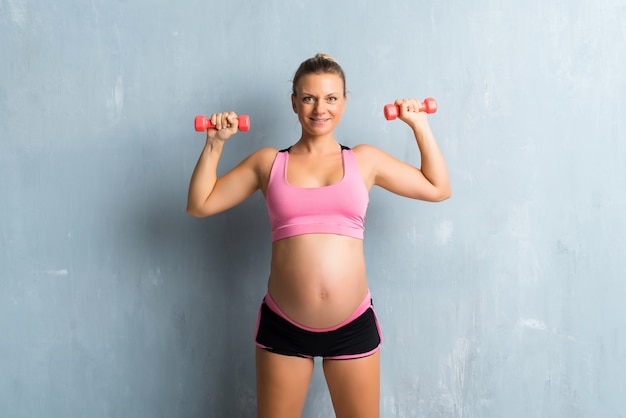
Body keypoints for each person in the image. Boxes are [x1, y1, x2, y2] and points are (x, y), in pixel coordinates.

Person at [187, 53, 451, 418]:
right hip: (285, 327)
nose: (319, 108)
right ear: (294, 102)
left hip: (351, 325)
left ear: (344, 101)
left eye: (330, 98)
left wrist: (419, 125)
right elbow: (200, 203)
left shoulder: (365, 160)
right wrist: (215, 144)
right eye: (309, 98)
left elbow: (438, 187)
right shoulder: (268, 163)